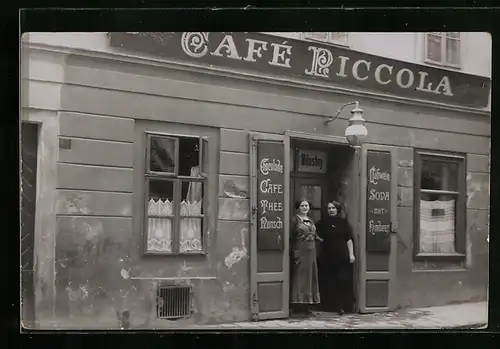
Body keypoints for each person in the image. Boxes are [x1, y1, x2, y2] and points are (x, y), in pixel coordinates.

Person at [316, 200, 356, 315]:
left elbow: (348, 239)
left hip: (341, 255)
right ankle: (328, 305)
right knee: (328, 280)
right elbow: (314, 234)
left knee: (341, 280)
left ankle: (342, 306)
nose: (331, 210)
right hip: (327, 255)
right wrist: (321, 241)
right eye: (329, 208)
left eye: (333, 208)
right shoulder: (322, 223)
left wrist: (351, 254)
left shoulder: (343, 223)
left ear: (337, 209)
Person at [290, 199, 324, 316]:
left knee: (310, 277)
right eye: (302, 205)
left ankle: (308, 304)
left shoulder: (310, 220)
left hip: (311, 252)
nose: (304, 207)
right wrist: (295, 251)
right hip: (301, 252)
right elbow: (291, 236)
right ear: (298, 207)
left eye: (306, 205)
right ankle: (297, 304)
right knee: (300, 277)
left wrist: (321, 240)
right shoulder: (295, 220)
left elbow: (314, 235)